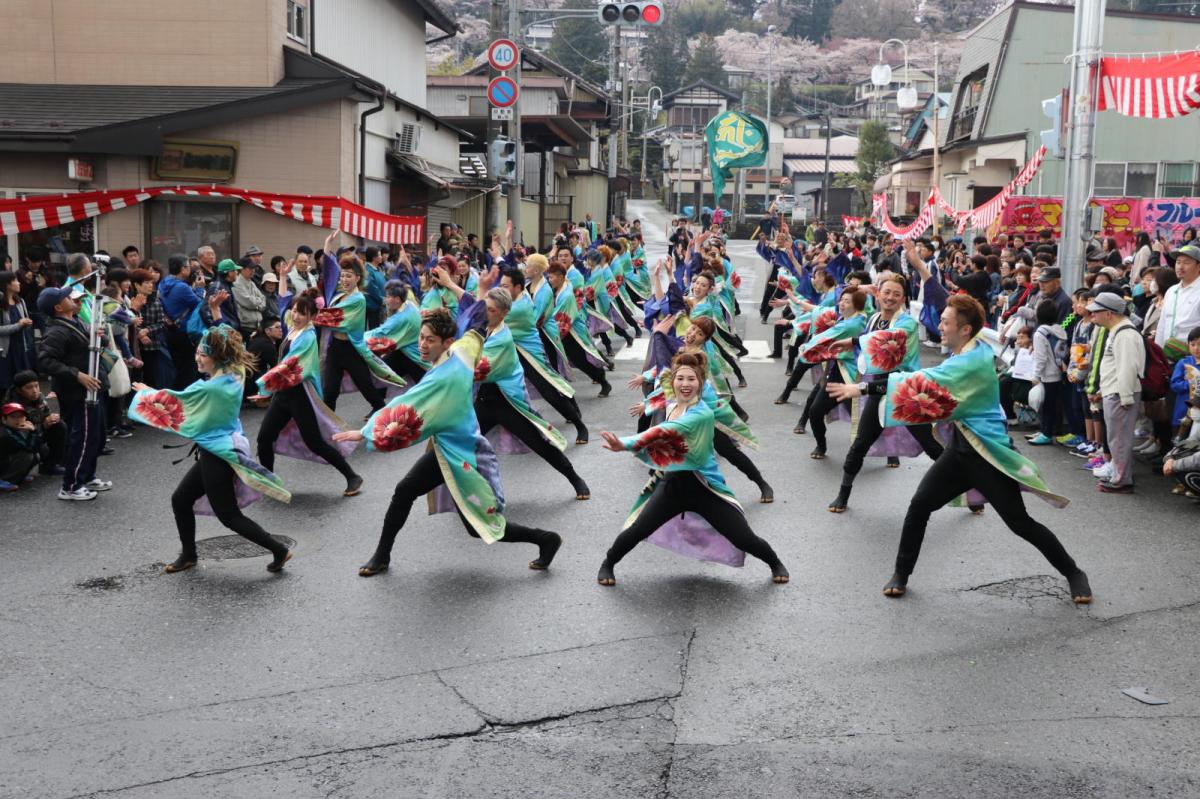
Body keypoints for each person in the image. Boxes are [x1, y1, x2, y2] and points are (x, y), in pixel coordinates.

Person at [828, 295, 1091, 604]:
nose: (939, 325)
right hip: (959, 452)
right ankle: (901, 573)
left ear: (965, 330)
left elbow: (922, 380)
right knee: (919, 505)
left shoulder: (973, 361)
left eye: (946, 322)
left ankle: (1074, 573)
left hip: (987, 454)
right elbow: (924, 380)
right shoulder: (962, 354)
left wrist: (861, 387)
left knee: (1020, 524)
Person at [333, 308, 563, 577]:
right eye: (421, 337)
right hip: (448, 448)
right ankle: (382, 555)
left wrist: (368, 430)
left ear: (445, 342)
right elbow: (473, 335)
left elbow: (409, 404)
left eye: (429, 339)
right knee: (405, 490)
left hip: (464, 455)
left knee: (478, 526)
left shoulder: (444, 377)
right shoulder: (460, 353)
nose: (422, 344)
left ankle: (545, 539)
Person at [596, 351, 789, 587]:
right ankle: (608, 563)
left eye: (691, 379)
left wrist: (624, 444)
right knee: (638, 529)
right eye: (680, 379)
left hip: (705, 487)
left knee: (743, 537)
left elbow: (663, 432)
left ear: (700, 384)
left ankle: (775, 562)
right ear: (673, 382)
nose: (685, 384)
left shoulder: (701, 414)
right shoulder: (671, 403)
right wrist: (645, 403)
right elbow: (660, 396)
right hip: (673, 485)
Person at [129, 325, 293, 573]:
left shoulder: (210, 388)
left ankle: (278, 549)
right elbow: (225, 337)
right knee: (181, 499)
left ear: (218, 357)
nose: (198, 358)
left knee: (228, 515)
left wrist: (146, 394)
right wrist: (216, 317)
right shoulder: (234, 372)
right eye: (197, 353)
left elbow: (176, 402)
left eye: (203, 355)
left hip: (218, 453)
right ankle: (189, 555)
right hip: (219, 447)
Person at [435, 269, 592, 500]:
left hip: (508, 401)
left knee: (542, 440)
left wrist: (443, 364)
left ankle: (575, 478)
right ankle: (462, 493)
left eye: (491, 310)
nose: (485, 314)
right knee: (459, 441)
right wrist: (450, 284)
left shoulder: (506, 327)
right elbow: (473, 309)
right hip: (484, 400)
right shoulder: (488, 324)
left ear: (504, 312)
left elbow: (477, 368)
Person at [826, 275, 945, 513]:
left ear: (903, 298)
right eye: (886, 292)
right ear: (878, 294)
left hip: (904, 391)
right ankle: (843, 494)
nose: (890, 297)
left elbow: (886, 341)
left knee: (932, 447)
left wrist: (853, 340)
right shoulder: (873, 319)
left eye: (896, 294)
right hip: (880, 389)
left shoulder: (907, 324)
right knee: (860, 444)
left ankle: (966, 492)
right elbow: (868, 342)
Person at [249, 293, 363, 497]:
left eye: (302, 312)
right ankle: (270, 481)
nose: (296, 315)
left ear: (311, 316)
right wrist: (283, 277)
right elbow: (283, 303)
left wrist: (264, 386)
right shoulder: (292, 328)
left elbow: (289, 365)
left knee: (315, 442)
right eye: (295, 311)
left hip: (299, 396)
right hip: (283, 395)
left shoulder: (308, 336)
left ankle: (352, 476)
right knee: (264, 437)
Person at [316, 233, 406, 413]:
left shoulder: (358, 299)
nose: (344, 279)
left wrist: (314, 317)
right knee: (330, 392)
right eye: (343, 276)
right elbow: (329, 273)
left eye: (349, 276)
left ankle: (383, 419)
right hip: (335, 348)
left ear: (357, 278)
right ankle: (327, 431)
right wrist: (327, 245)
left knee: (368, 390)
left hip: (351, 350)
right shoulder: (340, 295)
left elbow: (338, 319)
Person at [36, 284, 111, 501]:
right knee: (83, 437)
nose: (72, 298)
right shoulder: (57, 330)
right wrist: (77, 374)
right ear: (59, 307)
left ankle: (86, 476)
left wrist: (100, 336)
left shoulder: (74, 322)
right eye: (66, 297)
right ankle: (70, 486)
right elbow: (45, 361)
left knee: (95, 435)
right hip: (78, 392)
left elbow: (94, 345)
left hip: (92, 388)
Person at [1086, 291, 1145, 494]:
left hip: (1121, 395)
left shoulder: (1125, 334)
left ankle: (1121, 481)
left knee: (1119, 440)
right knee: (1116, 438)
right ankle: (1120, 477)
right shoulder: (1118, 331)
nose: (1093, 315)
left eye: (1097, 311)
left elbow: (1127, 368)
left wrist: (1126, 397)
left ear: (1109, 313)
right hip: (1116, 392)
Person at [364, 279, 428, 385]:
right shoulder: (409, 304)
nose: (386, 300)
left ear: (397, 299)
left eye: (388, 297)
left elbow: (379, 334)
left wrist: (355, 338)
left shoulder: (400, 319)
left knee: (380, 374)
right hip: (410, 352)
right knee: (382, 372)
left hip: (414, 358)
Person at [4, 370, 66, 475]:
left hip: (35, 433)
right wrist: (43, 426)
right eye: (29, 387)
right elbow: (22, 433)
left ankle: (52, 464)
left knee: (59, 425)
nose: (35, 390)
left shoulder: (38, 397)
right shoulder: (13, 408)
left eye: (36, 386)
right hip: (19, 443)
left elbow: (46, 414)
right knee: (40, 451)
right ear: (19, 390)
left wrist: (49, 420)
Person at [1027, 299, 1067, 446]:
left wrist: (1036, 376)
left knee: (1047, 405)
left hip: (1047, 374)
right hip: (1058, 371)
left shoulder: (1040, 333)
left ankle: (1046, 433)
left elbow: (1041, 358)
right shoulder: (1059, 329)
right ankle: (1045, 430)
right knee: (1051, 404)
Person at [0, 269, 36, 392]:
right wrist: (19, 325)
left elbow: (25, 322)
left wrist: (27, 323)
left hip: (21, 349)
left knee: (23, 386)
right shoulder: (1, 304)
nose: (19, 283)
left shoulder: (20, 301)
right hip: (6, 352)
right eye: (15, 280)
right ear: (7, 284)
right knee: (7, 386)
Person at [0, 402, 40, 490]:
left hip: (6, 459)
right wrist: (33, 432)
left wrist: (33, 432)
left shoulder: (19, 429)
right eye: (13, 417)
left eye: (21, 416)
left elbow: (37, 447)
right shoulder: (5, 433)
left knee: (36, 454)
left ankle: (20, 475)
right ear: (4, 419)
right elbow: (30, 448)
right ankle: (5, 480)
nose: (18, 420)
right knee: (27, 455)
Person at [232, 258, 267, 339]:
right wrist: (258, 302)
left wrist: (257, 302)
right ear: (242, 269)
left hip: (257, 325)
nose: (253, 271)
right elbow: (249, 302)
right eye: (250, 268)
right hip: (245, 326)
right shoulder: (236, 284)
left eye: (254, 268)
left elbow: (263, 298)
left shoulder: (251, 282)